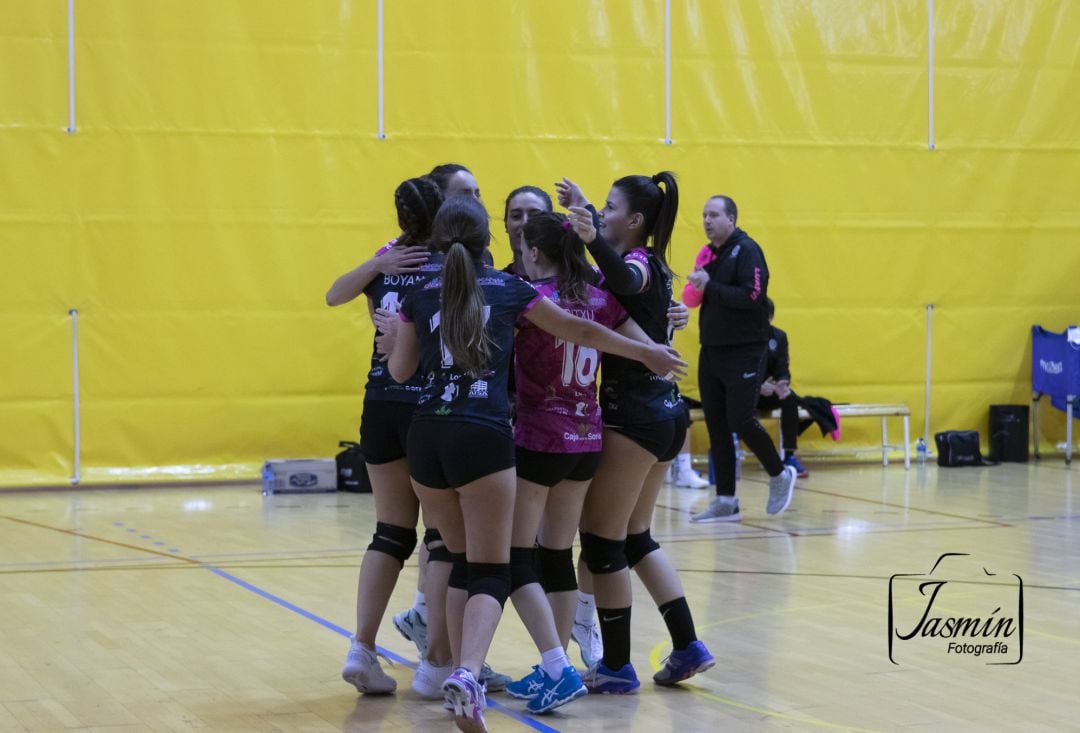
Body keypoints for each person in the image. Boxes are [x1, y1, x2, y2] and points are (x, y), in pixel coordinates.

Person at [378, 195, 685, 731]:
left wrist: (392, 341)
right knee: (505, 565)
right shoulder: (515, 290)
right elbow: (584, 330)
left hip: (428, 435)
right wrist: (649, 351)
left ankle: (447, 666)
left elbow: (401, 374)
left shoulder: (421, 294)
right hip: (511, 436)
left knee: (458, 556)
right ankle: (489, 670)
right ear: (489, 244)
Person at [556, 173, 715, 694]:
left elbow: (622, 280)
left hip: (636, 417)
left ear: (635, 221)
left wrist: (587, 237)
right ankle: (688, 643)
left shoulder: (640, 264)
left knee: (602, 545)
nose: (601, 214)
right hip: (663, 415)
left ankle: (616, 666)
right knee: (636, 537)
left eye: (608, 207)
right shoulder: (652, 265)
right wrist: (582, 219)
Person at [503, 211, 665, 705]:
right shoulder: (600, 296)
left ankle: (557, 666)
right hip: (586, 440)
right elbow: (634, 332)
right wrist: (659, 348)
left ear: (532, 253)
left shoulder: (532, 299)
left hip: (538, 438)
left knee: (516, 558)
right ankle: (557, 664)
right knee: (557, 555)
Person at [327, 176, 455, 696]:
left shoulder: (388, 256)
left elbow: (335, 294)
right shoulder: (452, 262)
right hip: (428, 405)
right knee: (444, 538)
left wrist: (378, 267)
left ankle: (362, 646)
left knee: (391, 532)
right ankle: (436, 663)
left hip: (378, 404)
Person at [683, 195, 797, 523]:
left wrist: (711, 286)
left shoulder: (746, 250)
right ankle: (726, 501)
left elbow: (753, 295)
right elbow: (700, 295)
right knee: (717, 425)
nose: (707, 220)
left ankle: (780, 474)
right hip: (713, 348)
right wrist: (699, 285)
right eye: (704, 215)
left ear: (731, 218)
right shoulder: (710, 255)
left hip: (746, 348)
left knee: (741, 420)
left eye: (714, 215)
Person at [758, 298, 808, 478]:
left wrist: (782, 384)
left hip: (770, 390)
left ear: (771, 317)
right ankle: (759, 456)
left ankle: (789, 456)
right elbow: (737, 369)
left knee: (790, 398)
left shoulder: (779, 337)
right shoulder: (742, 337)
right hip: (747, 390)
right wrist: (758, 386)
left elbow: (783, 367)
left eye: (765, 316)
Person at [502, 186, 553, 277]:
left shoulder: (571, 282)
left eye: (535, 215)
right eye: (516, 216)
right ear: (506, 224)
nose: (525, 223)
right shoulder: (495, 284)